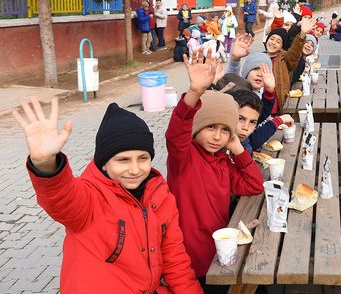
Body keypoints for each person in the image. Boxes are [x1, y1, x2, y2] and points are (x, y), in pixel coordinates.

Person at [12, 98, 202, 293]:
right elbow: (62, 198)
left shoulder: (162, 197)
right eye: (123, 160)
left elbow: (175, 260)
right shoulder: (90, 197)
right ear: (103, 163)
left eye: (143, 158)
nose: (135, 169)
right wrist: (46, 164)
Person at [166, 49, 264, 291]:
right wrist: (194, 93)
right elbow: (176, 131)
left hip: (220, 253)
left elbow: (254, 185)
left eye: (224, 130)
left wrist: (237, 149)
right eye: (211, 127)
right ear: (198, 126)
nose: (217, 137)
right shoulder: (184, 158)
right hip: (192, 261)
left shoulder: (222, 161)